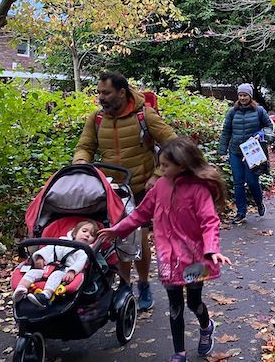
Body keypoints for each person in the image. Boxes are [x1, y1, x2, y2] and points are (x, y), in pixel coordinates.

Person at [98, 137, 232, 360]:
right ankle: (179, 352)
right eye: (160, 165)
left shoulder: (198, 190)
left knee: (194, 302)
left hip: (195, 259)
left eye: (165, 166)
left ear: (182, 165)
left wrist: (212, 249)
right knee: (175, 305)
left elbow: (210, 221)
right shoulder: (160, 186)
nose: (161, 170)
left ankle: (206, 326)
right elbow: (141, 213)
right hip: (167, 257)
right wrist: (118, 229)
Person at [73, 71, 176, 311]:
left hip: (140, 187)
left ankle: (143, 284)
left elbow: (172, 144)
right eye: (99, 92)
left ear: (121, 92)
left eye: (106, 93)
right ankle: (125, 285)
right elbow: (85, 146)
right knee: (113, 236)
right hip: (110, 190)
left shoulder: (144, 115)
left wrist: (158, 175)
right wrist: (80, 163)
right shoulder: (96, 119)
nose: (101, 97)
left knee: (138, 237)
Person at [218, 83, 272, 224]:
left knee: (252, 181)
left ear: (250, 96)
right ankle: (241, 212)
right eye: (240, 95)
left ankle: (259, 203)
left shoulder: (259, 111)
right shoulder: (232, 112)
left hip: (252, 152)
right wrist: (222, 150)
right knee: (238, 183)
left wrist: (260, 135)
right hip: (235, 151)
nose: (242, 98)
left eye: (245, 95)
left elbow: (269, 128)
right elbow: (226, 132)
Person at [13, 220, 98, 308]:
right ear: (74, 233)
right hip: (48, 267)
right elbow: (49, 249)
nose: (87, 235)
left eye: (92, 235)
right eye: (84, 231)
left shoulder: (85, 251)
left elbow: (80, 263)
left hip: (64, 272)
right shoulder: (62, 241)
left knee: (56, 275)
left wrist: (72, 271)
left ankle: (45, 296)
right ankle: (21, 289)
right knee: (32, 272)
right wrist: (40, 257)